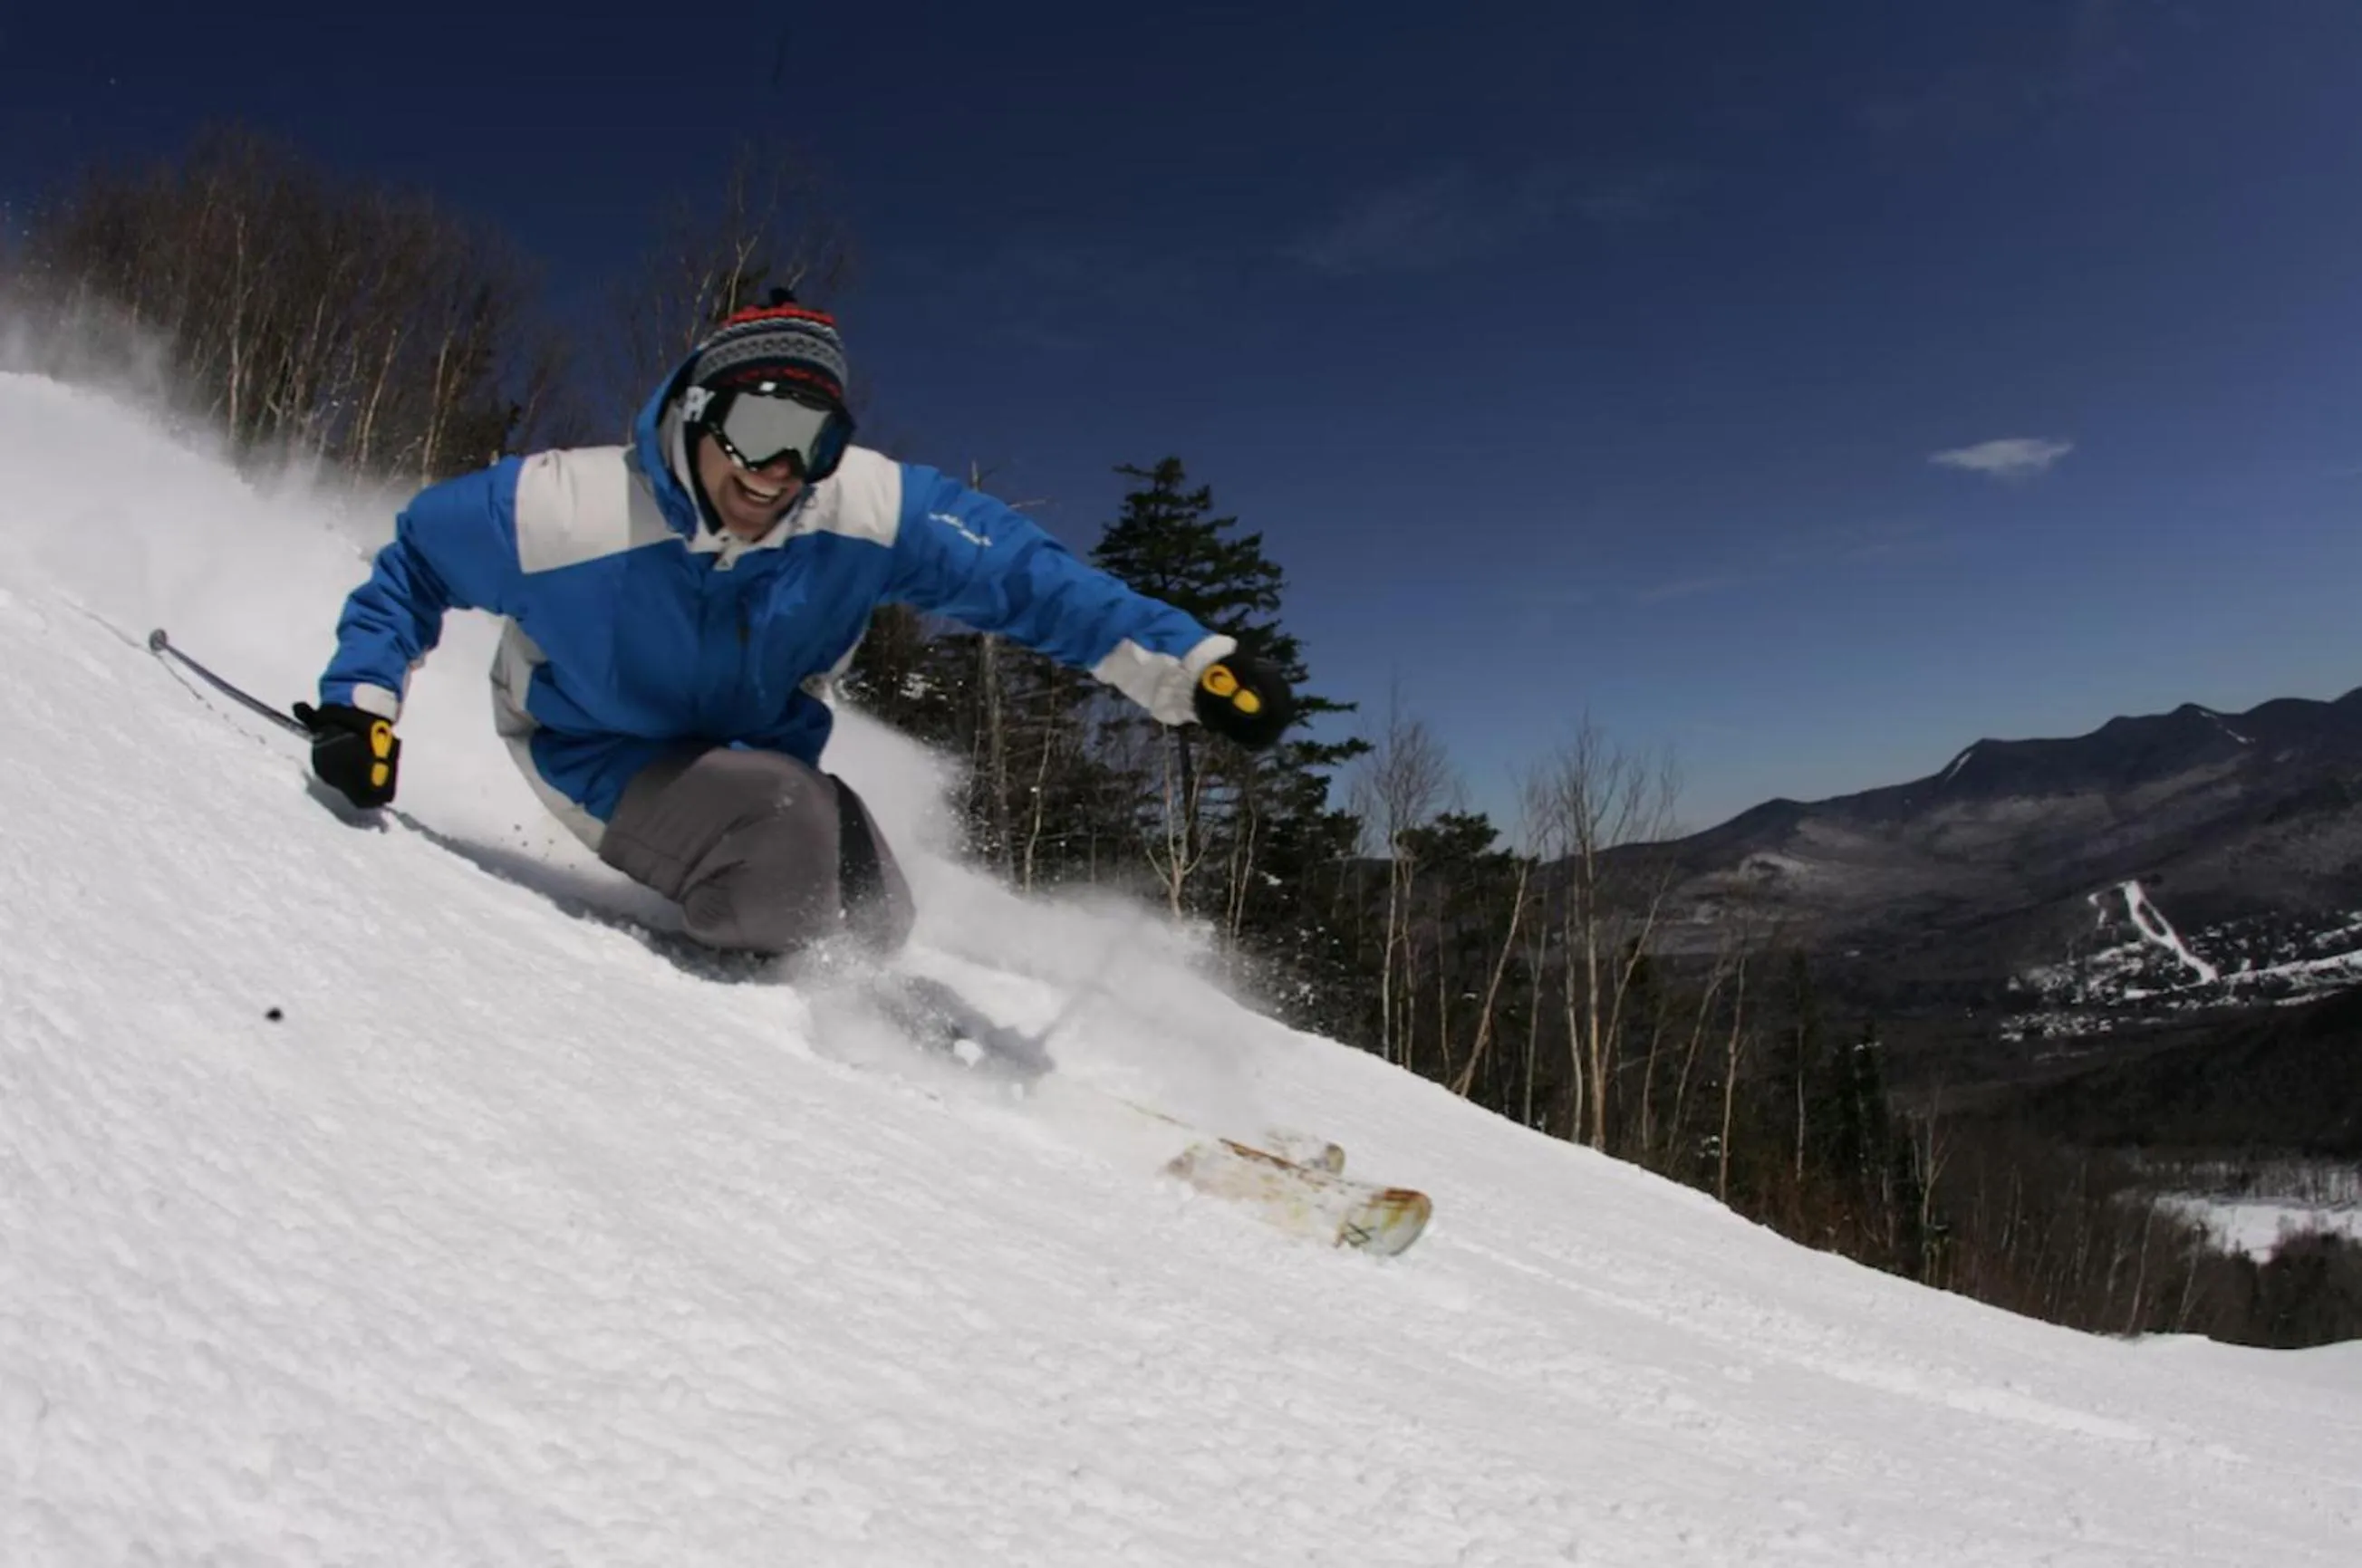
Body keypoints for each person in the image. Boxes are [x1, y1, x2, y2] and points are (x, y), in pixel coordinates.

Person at [298, 292, 1292, 956]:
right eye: (760, 431)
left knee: (875, 920)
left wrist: (1187, 665)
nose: (778, 474)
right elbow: (416, 565)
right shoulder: (568, 507)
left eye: (812, 444)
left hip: (753, 760)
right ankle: (730, 1019)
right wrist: (360, 705)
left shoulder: (860, 509)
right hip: (594, 745)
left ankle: (800, 963)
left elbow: (1030, 581)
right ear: (699, 411)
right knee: (787, 847)